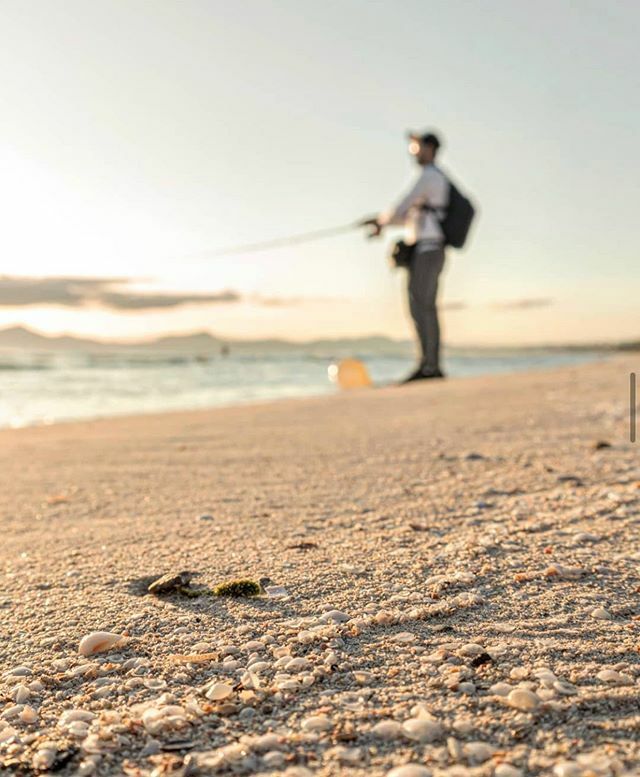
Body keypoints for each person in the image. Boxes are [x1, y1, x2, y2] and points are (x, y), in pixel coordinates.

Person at [363, 131, 449, 382]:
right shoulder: (431, 178)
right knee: (421, 306)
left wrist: (381, 221)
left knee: (423, 306)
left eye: (416, 147)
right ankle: (428, 363)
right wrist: (381, 222)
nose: (414, 152)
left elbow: (403, 206)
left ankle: (430, 366)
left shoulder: (430, 176)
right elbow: (405, 215)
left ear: (430, 148)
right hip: (425, 248)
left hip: (429, 249)